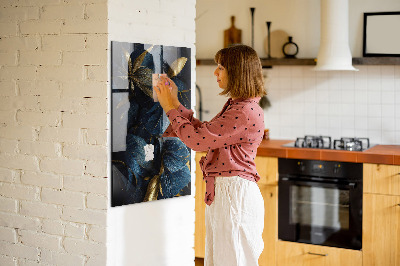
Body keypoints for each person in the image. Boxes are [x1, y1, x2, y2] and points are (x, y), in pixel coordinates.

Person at [154, 44, 266, 266]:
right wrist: (175, 103)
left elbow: (197, 140)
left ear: (237, 72)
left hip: (234, 195)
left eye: (221, 67)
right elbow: (204, 133)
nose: (215, 72)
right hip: (229, 193)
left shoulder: (243, 111)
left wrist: (169, 108)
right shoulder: (239, 106)